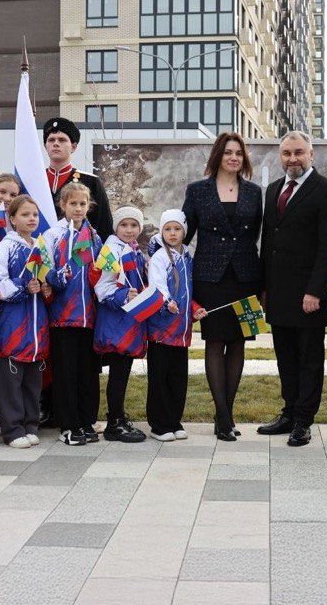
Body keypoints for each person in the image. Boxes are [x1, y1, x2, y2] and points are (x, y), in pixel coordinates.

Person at [258, 131, 327, 446]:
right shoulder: (273, 190)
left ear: (311, 155)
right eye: (286, 153)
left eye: (298, 152)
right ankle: (289, 413)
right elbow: (269, 242)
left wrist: (315, 291)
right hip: (278, 293)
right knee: (285, 358)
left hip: (309, 294)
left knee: (308, 359)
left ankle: (304, 421)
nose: (292, 158)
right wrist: (264, 288)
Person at [181, 132, 263, 440]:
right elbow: (184, 235)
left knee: (239, 343)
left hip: (246, 278)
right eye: (228, 152)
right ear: (218, 155)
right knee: (215, 343)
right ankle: (224, 417)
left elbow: (256, 236)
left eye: (239, 153)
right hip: (210, 278)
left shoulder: (254, 192)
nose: (234, 158)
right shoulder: (197, 190)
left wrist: (262, 284)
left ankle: (225, 415)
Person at [0, 195, 53, 449]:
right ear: (13, 219)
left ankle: (30, 425)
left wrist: (47, 287)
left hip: (37, 324)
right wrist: (24, 287)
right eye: (25, 214)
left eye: (34, 214)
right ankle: (13, 430)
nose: (31, 219)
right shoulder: (5, 247)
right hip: (13, 323)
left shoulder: (40, 246)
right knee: (11, 381)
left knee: (33, 381)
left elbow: (47, 277)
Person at [43, 182, 102, 446]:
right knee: (66, 372)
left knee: (87, 372)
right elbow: (43, 267)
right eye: (73, 203)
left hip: (89, 316)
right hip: (62, 316)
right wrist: (55, 277)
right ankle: (68, 425)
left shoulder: (94, 237)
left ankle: (87, 421)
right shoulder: (52, 235)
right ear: (62, 205)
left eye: (82, 204)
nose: (78, 208)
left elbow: (103, 270)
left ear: (89, 206)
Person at [145, 209, 206, 442]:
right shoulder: (160, 257)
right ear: (162, 231)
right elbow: (157, 285)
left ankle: (173, 420)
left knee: (178, 377)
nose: (172, 233)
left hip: (181, 330)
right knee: (159, 376)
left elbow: (188, 290)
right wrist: (166, 301)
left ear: (184, 231)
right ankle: (159, 424)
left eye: (177, 229)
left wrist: (194, 308)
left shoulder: (187, 256)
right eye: (168, 229)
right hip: (162, 328)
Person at [93, 206, 150, 443]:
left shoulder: (133, 250)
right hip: (116, 322)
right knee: (118, 372)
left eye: (134, 225)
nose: (129, 230)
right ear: (116, 227)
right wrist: (123, 295)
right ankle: (114, 422)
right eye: (124, 225)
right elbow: (102, 287)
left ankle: (119, 416)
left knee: (123, 370)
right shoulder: (112, 251)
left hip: (128, 322)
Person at [43, 117, 114, 240]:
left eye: (62, 140)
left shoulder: (90, 182)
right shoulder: (36, 181)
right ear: (45, 146)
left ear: (74, 147)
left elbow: (104, 226)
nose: (56, 143)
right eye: (51, 140)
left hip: (80, 248)